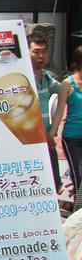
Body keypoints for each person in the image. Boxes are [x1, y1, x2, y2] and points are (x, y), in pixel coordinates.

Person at [28, 32, 62, 190]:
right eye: (36, 52)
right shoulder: (25, 77)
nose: (41, 56)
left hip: (47, 139)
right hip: (30, 140)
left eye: (44, 52)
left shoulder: (46, 77)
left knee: (54, 182)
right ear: (27, 52)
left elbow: (64, 90)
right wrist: (47, 134)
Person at [50, 46, 82, 193]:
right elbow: (59, 111)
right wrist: (52, 134)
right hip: (72, 138)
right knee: (78, 177)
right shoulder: (67, 84)